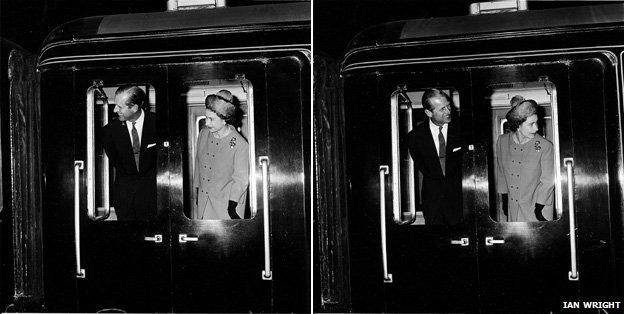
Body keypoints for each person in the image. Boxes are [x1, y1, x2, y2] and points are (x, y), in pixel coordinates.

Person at [406, 89, 463, 225]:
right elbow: (424, 168)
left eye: (448, 105)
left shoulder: (463, 128)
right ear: (428, 112)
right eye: (442, 109)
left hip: (460, 200)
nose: (448, 111)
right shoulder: (415, 137)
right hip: (432, 202)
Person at [102, 85, 157, 221]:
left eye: (120, 107)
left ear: (134, 107)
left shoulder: (159, 123)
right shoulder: (109, 132)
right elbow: (116, 163)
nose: (115, 110)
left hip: (154, 199)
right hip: (125, 201)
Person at [193, 90, 249, 220]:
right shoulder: (203, 134)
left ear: (225, 120)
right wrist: (196, 193)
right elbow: (198, 164)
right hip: (203, 205)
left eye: (211, 119)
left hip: (227, 208)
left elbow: (240, 180)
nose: (207, 123)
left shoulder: (240, 144)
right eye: (206, 117)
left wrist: (232, 206)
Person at [496, 99, 554, 222]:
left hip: (538, 209)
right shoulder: (502, 141)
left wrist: (538, 209)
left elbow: (548, 181)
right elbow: (501, 172)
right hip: (513, 208)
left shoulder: (544, 146)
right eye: (531, 124)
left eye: (537, 122)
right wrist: (504, 199)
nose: (536, 128)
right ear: (518, 125)